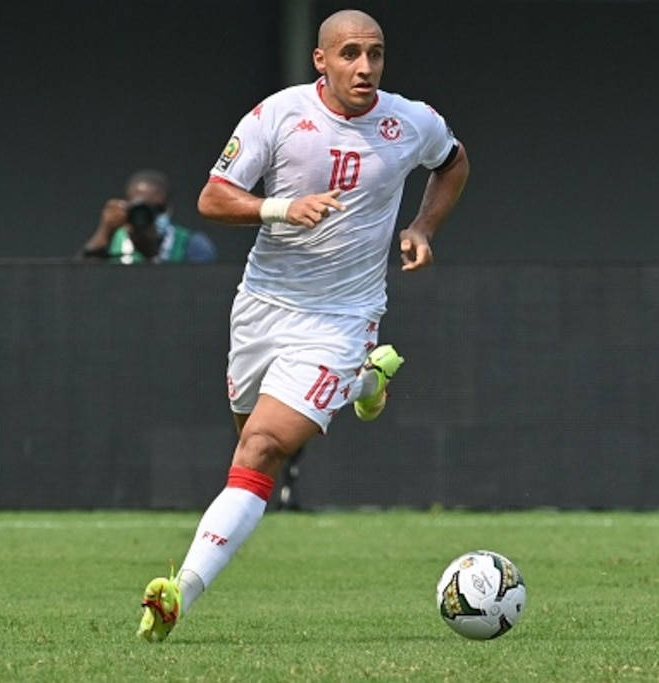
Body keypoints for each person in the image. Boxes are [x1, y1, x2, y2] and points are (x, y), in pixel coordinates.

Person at [137, 8, 469, 642]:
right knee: (252, 444)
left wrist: (423, 226)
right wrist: (284, 208)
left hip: (343, 317)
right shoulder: (280, 115)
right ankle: (366, 383)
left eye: (374, 54)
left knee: (261, 446)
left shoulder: (410, 121)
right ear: (322, 60)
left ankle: (180, 590)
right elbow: (213, 196)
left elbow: (452, 163)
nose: (364, 67)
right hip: (262, 307)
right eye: (349, 54)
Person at [79, 169, 217, 264]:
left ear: (168, 208)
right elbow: (79, 281)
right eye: (139, 208)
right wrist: (104, 231)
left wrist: (151, 248)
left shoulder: (191, 244)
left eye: (156, 209)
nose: (146, 215)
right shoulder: (113, 241)